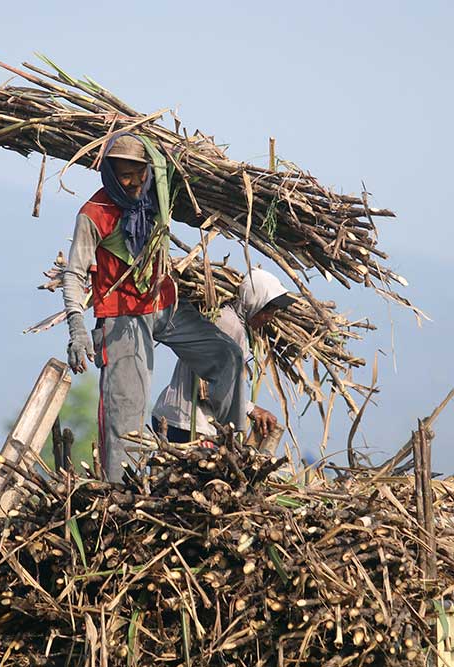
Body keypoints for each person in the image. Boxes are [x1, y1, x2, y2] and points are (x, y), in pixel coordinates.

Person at [61, 132, 246, 481]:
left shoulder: (156, 197)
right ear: (110, 174)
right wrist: (77, 328)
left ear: (149, 169)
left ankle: (233, 451)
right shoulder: (94, 213)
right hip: (121, 318)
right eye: (123, 175)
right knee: (126, 416)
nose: (131, 182)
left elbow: (183, 180)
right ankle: (121, 494)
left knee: (227, 356)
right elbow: (74, 272)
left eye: (138, 172)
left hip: (163, 305)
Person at [152, 268, 294, 444]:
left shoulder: (235, 324)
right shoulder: (228, 324)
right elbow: (205, 385)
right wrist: (249, 409)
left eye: (273, 311)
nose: (269, 318)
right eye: (267, 309)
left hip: (179, 418)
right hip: (187, 423)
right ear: (252, 301)